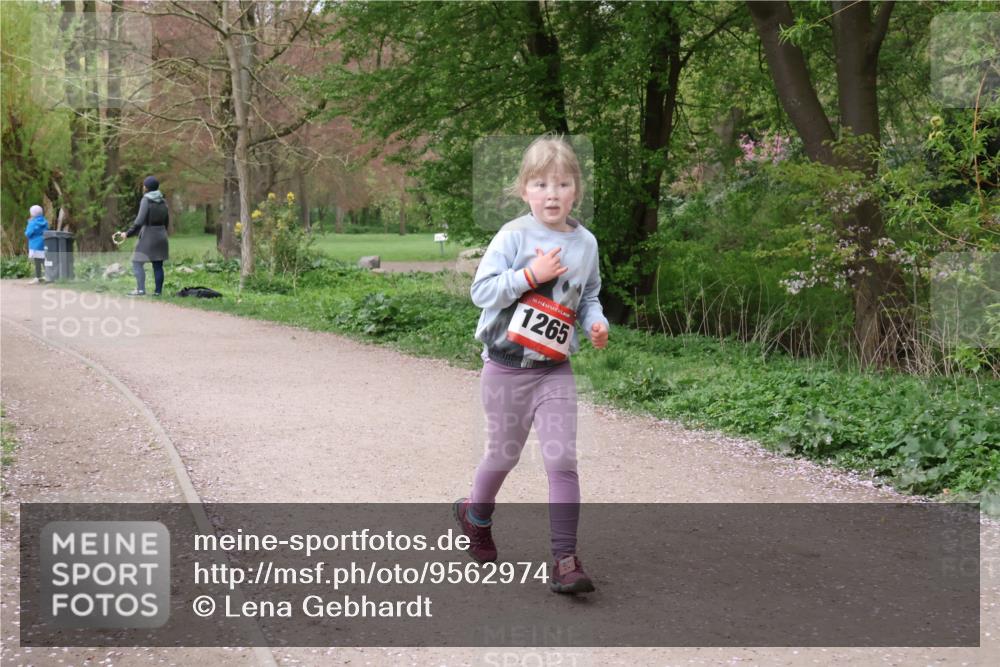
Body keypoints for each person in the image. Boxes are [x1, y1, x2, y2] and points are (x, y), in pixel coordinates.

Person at [453, 135, 609, 595]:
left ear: (576, 190)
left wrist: (596, 322)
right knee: (504, 454)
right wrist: (529, 276)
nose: (552, 194)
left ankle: (565, 559)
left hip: (553, 370)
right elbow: (481, 292)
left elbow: (590, 295)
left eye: (562, 184)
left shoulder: (586, 243)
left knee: (561, 460)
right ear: (525, 190)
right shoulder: (513, 236)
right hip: (505, 367)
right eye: (541, 184)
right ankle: (475, 515)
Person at [125, 176, 170, 296]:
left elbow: (139, 221)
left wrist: (127, 234)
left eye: (144, 185)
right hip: (161, 234)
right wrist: (163, 232)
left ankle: (140, 290)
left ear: (147, 187)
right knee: (158, 265)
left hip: (148, 234)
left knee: (137, 262)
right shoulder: (163, 201)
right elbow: (166, 220)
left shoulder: (146, 200)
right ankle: (158, 292)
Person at [24, 205, 48, 284]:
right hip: (43, 243)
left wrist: (29, 224)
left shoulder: (32, 223)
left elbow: (28, 234)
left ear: (32, 213)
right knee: (44, 260)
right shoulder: (45, 221)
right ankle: (48, 276)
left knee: (37, 261)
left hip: (35, 245)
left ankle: (38, 277)